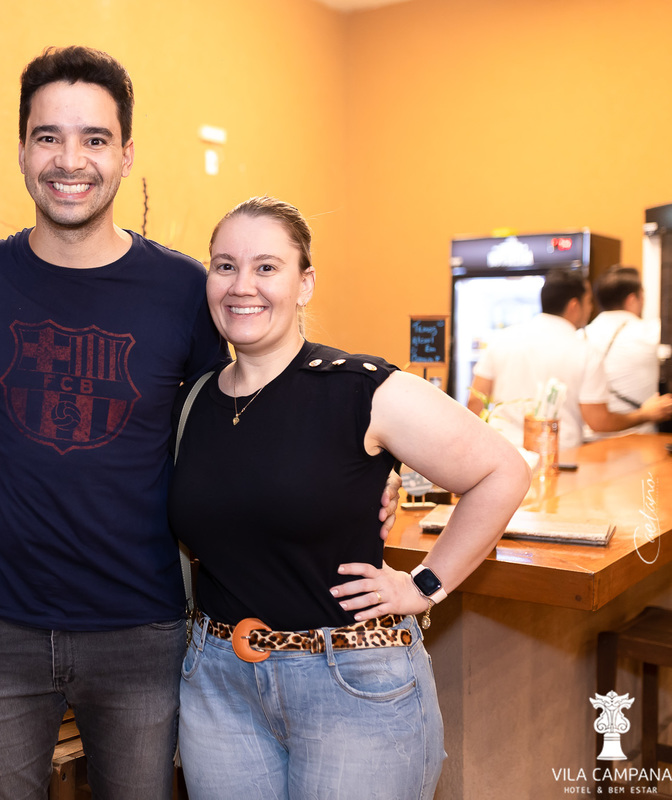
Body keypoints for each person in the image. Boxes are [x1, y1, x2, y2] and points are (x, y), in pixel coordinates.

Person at [0, 47, 399, 799]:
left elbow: (244, 409)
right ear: (22, 149)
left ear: (126, 155)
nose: (70, 160)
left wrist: (367, 472)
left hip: (142, 630)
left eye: (94, 138)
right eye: (48, 136)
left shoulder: (186, 288)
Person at [169, 196, 533, 798]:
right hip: (218, 684)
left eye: (267, 267)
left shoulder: (360, 389)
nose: (242, 286)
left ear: (305, 283)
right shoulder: (192, 400)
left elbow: (503, 472)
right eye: (225, 266)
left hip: (349, 682)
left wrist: (425, 585)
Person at [467, 268, 671, 449]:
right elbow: (598, 421)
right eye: (588, 301)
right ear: (574, 305)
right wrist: (645, 414)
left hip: (503, 450)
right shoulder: (585, 352)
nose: (590, 309)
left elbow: (476, 400)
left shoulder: (502, 339)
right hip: (559, 457)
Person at [583, 265, 663, 436]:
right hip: (637, 438)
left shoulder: (581, 336)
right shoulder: (650, 333)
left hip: (588, 440)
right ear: (632, 299)